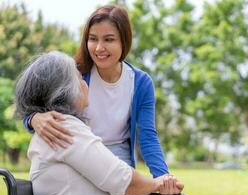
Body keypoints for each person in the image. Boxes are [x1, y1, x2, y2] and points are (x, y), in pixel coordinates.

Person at [24, 4, 168, 178]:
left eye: (108, 40)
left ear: (124, 41)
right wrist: (33, 119)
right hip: (78, 159)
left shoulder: (141, 83)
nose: (99, 48)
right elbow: (36, 105)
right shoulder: (75, 74)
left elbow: (148, 137)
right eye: (93, 39)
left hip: (119, 165)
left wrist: (163, 177)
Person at [16, 51, 183, 195]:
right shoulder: (64, 128)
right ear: (64, 91)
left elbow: (147, 138)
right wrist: (158, 183)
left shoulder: (56, 126)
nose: (85, 83)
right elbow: (121, 179)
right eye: (79, 78)